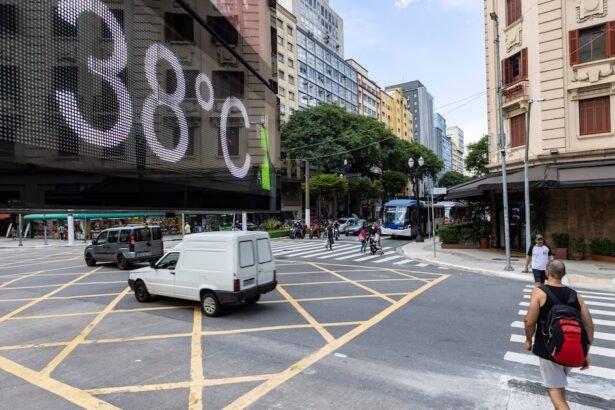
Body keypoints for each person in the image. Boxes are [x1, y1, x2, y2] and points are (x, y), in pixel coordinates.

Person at [524, 260, 594, 410]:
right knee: (559, 386)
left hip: (548, 350)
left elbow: (529, 321)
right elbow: (589, 326)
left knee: (554, 391)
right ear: (564, 274)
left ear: (547, 273)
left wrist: (528, 340)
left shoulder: (539, 292)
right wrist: (584, 352)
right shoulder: (575, 296)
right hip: (572, 349)